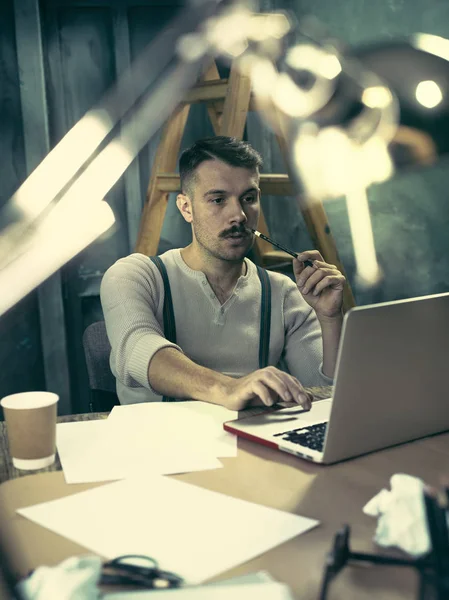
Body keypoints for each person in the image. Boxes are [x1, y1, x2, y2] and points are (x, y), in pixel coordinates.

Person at [100, 136, 345, 411]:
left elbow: (324, 393)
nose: (239, 215)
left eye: (248, 199)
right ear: (186, 208)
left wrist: (330, 319)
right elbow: (138, 349)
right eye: (218, 199)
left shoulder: (283, 293)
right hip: (157, 447)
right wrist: (229, 387)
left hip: (247, 447)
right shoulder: (135, 276)